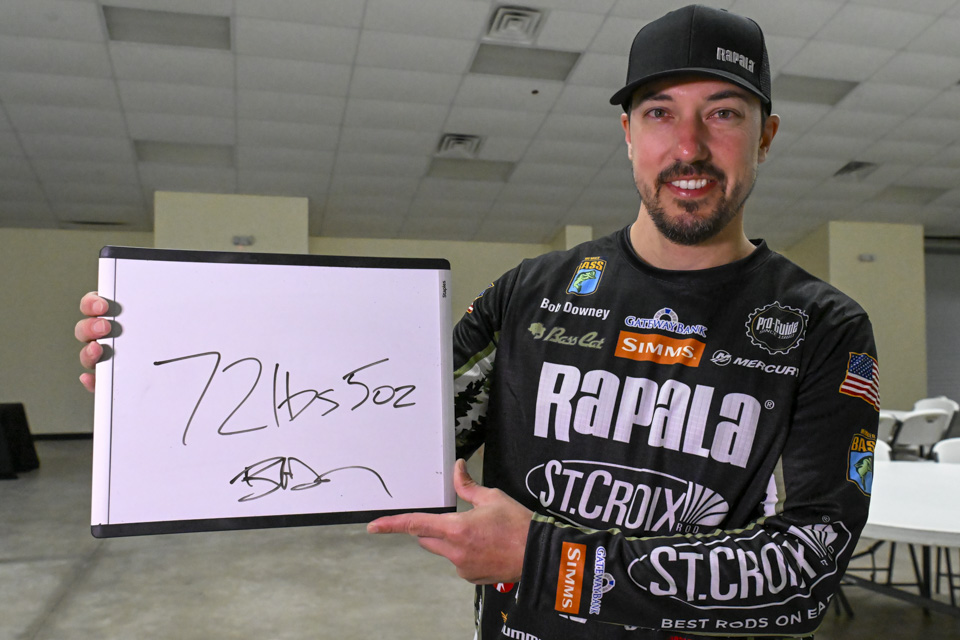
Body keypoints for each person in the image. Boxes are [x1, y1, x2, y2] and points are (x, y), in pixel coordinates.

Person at [77, 5, 879, 639]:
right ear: (627, 133)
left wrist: (548, 560)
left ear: (766, 136)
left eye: (725, 114)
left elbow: (809, 569)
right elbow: (376, 426)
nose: (690, 146)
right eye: (660, 113)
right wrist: (159, 381)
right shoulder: (533, 295)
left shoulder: (823, 328)